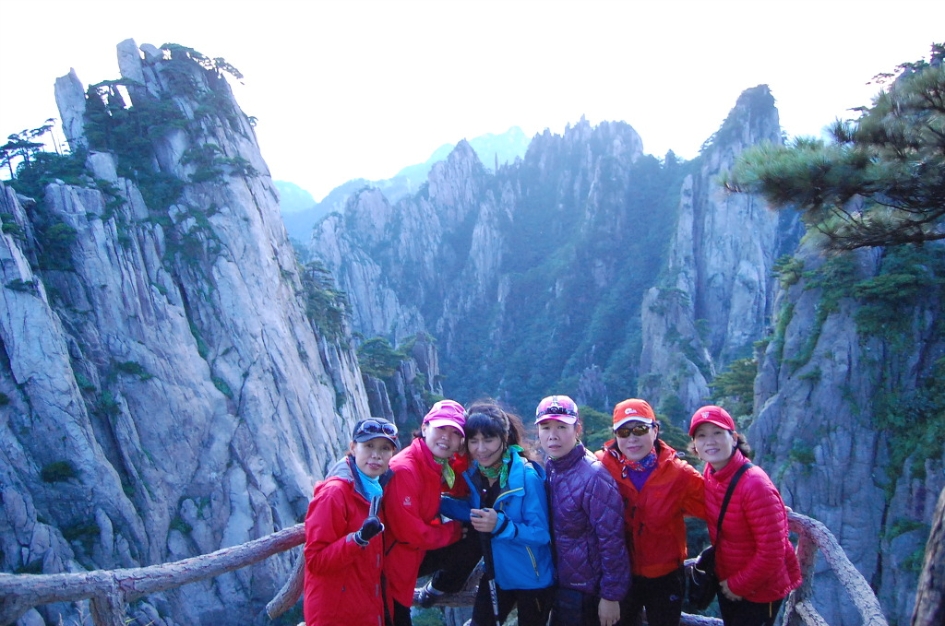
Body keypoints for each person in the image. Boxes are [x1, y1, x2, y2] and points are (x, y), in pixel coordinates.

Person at [438, 400, 555, 626]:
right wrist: (435, 502)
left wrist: (501, 526)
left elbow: (541, 534)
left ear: (504, 438)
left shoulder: (526, 477)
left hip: (533, 578)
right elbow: (474, 511)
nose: (481, 449)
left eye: (488, 439)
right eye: (474, 441)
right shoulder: (475, 474)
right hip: (497, 574)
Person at [688, 405, 801, 626]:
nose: (710, 441)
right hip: (728, 579)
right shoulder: (712, 473)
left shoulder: (755, 484)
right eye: (701, 436)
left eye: (717, 433)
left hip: (759, 589)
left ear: (734, 437)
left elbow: (772, 551)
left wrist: (737, 585)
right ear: (695, 446)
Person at [596, 398, 705, 626]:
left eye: (640, 429)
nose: (632, 438)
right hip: (621, 574)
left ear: (655, 431)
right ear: (615, 436)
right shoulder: (601, 467)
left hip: (665, 574)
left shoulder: (679, 474)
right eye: (624, 432)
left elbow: (715, 506)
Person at [537, 394, 630, 626]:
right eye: (546, 427)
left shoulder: (594, 476)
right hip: (563, 584)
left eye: (561, 426)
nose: (553, 435)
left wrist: (611, 596)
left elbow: (612, 540)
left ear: (577, 429)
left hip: (588, 592)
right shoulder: (552, 466)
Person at [303, 417, 400, 626]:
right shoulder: (334, 494)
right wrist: (358, 539)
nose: (376, 455)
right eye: (369, 446)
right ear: (353, 447)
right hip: (335, 614)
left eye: (385, 448)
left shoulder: (375, 490)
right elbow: (315, 560)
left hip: (363, 608)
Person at [384, 399, 468, 626]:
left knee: (475, 535)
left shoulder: (435, 465)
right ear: (424, 428)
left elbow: (459, 486)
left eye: (454, 433)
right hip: (389, 572)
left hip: (407, 563)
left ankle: (440, 587)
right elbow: (410, 533)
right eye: (441, 428)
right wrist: (453, 531)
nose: (446, 437)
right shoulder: (405, 469)